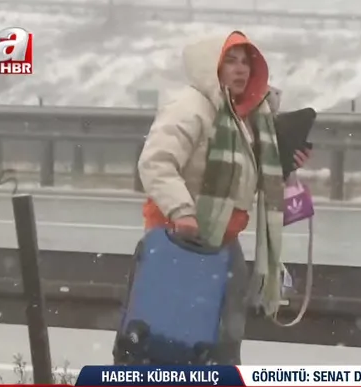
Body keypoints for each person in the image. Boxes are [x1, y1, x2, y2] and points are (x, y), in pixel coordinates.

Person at [116, 30, 311, 365]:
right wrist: (182, 211)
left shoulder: (247, 120)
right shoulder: (190, 109)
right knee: (157, 340)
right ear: (213, 68)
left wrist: (283, 166)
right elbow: (156, 162)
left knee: (222, 343)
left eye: (246, 63)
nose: (240, 70)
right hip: (176, 241)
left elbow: (245, 181)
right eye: (230, 62)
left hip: (223, 243)